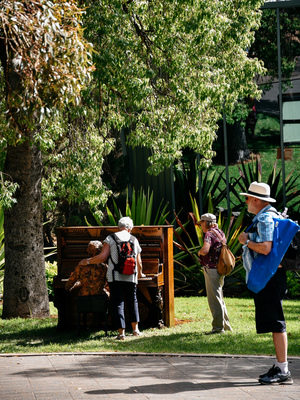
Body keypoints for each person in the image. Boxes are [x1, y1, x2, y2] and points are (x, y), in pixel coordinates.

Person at [238, 181, 293, 385]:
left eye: (246, 198)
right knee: (274, 322)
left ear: (255, 200)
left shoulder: (265, 218)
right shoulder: (272, 215)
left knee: (276, 322)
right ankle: (281, 366)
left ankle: (283, 369)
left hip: (269, 278)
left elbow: (266, 248)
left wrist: (246, 241)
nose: (245, 202)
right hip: (272, 275)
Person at [78, 216, 144, 340]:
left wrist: (87, 261)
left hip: (115, 276)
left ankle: (121, 333)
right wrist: (139, 275)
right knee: (132, 301)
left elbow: (103, 257)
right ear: (130, 228)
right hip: (131, 277)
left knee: (118, 302)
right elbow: (139, 262)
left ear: (118, 227)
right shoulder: (134, 239)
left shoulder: (110, 238)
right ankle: (135, 330)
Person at [197, 213, 232, 335]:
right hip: (220, 269)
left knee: (214, 300)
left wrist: (199, 252)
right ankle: (226, 326)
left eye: (201, 223)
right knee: (220, 298)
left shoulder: (209, 234)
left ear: (206, 222)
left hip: (211, 269)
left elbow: (205, 250)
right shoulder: (219, 232)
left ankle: (218, 328)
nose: (200, 225)